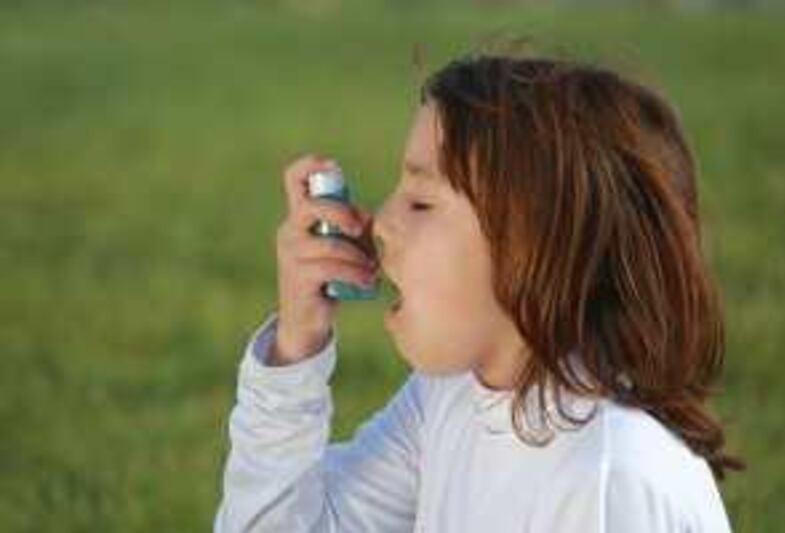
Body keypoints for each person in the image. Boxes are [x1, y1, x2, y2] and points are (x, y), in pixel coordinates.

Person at [213, 52, 744, 532]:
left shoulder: (604, 481)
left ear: (536, 247)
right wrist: (296, 345)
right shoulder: (455, 397)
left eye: (421, 203)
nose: (380, 223)